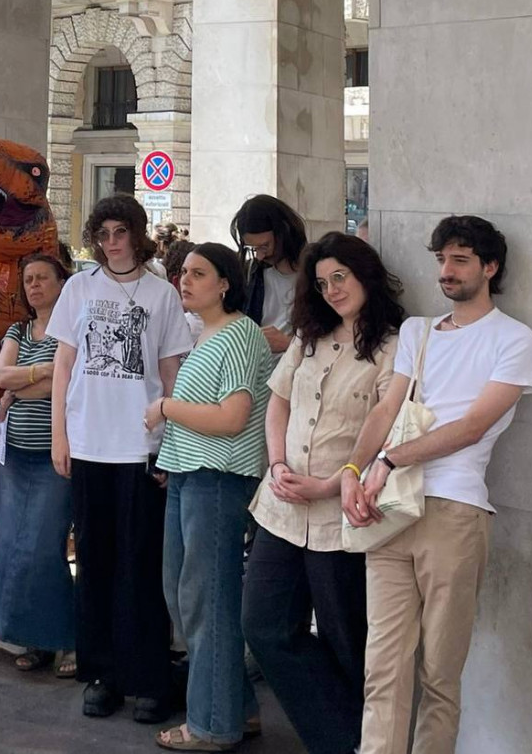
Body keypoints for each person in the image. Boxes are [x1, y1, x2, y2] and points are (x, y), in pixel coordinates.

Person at [341, 216, 532, 754]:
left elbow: (473, 426)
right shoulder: (417, 331)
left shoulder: (515, 339)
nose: (446, 272)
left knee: (439, 675)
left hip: (455, 511)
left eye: (460, 260)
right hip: (390, 510)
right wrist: (354, 471)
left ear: (490, 267)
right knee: (382, 669)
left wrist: (388, 459)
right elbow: (387, 406)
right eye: (441, 260)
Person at [241, 233, 405, 754]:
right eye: (322, 282)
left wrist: (330, 484)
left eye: (341, 277)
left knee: (349, 644)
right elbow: (278, 403)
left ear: (365, 276)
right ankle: (342, 741)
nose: (332, 290)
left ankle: (366, 742)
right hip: (282, 511)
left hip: (343, 518)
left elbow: (387, 427)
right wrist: (280, 464)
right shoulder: (308, 336)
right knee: (264, 627)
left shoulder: (394, 347)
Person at [47, 194, 191, 724]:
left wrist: (173, 443)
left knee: (142, 566)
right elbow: (63, 365)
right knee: (95, 563)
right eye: (102, 233)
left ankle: (148, 678)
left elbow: (172, 371)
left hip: (141, 446)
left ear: (136, 233)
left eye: (119, 232)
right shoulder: (78, 288)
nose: (111, 242)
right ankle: (102, 675)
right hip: (88, 445)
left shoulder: (162, 295)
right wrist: (58, 436)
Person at [145, 243, 271, 751]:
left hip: (217, 479)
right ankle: (235, 707)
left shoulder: (239, 334)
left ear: (226, 283)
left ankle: (212, 725)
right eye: (183, 272)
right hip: (189, 476)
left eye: (199, 273)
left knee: (205, 601)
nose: (185, 280)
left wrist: (167, 408)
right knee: (185, 595)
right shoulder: (211, 333)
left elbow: (232, 418)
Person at [0, 253, 76, 676]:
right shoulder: (18, 328)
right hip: (15, 456)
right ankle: (36, 638)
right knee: (12, 546)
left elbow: (60, 385)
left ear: (62, 281)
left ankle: (69, 638)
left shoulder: (74, 329)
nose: (34, 286)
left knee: (44, 549)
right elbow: (3, 376)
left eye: (42, 278)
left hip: (54, 456)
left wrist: (27, 381)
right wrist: (41, 371)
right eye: (28, 280)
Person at [230, 195, 308, 360]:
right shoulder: (251, 274)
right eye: (253, 248)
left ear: (284, 233)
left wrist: (289, 344)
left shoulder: (317, 275)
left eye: (265, 246)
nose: (259, 256)